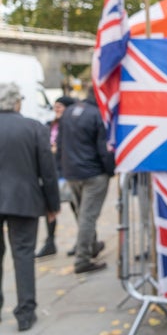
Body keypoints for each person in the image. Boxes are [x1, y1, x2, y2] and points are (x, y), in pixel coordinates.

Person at [0, 82, 60, 331]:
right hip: (24, 199)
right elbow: (48, 171)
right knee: (23, 255)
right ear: (17, 102)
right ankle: (25, 313)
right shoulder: (33, 128)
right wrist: (52, 204)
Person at [57, 87, 115, 274]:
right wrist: (110, 171)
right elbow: (103, 148)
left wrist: (63, 168)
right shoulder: (97, 114)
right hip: (93, 173)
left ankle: (91, 246)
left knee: (83, 214)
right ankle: (82, 258)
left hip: (72, 172)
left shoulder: (69, 113)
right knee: (87, 216)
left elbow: (59, 144)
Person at [35, 95, 76, 258]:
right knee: (50, 208)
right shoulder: (48, 125)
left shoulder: (72, 125)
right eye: (55, 106)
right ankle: (50, 242)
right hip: (52, 172)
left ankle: (87, 240)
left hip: (68, 171)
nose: (57, 109)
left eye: (61, 106)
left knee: (77, 207)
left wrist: (57, 149)